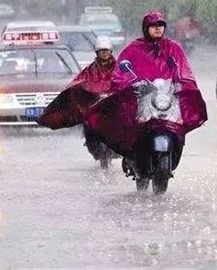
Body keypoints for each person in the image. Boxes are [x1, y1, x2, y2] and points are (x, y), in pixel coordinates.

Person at [85, 11, 207, 169]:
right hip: (143, 98)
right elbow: (121, 71)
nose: (158, 29)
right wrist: (130, 84)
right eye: (153, 26)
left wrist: (183, 84)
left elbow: (183, 69)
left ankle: (175, 150)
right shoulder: (134, 49)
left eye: (161, 25)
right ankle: (132, 156)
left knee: (178, 125)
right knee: (131, 125)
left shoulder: (173, 48)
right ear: (145, 28)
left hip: (165, 97)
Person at [37, 35, 118, 168]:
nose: (104, 53)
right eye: (101, 51)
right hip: (96, 107)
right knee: (88, 125)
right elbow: (77, 83)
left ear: (111, 51)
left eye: (106, 51)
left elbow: (127, 81)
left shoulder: (119, 68)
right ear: (96, 52)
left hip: (114, 107)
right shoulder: (89, 70)